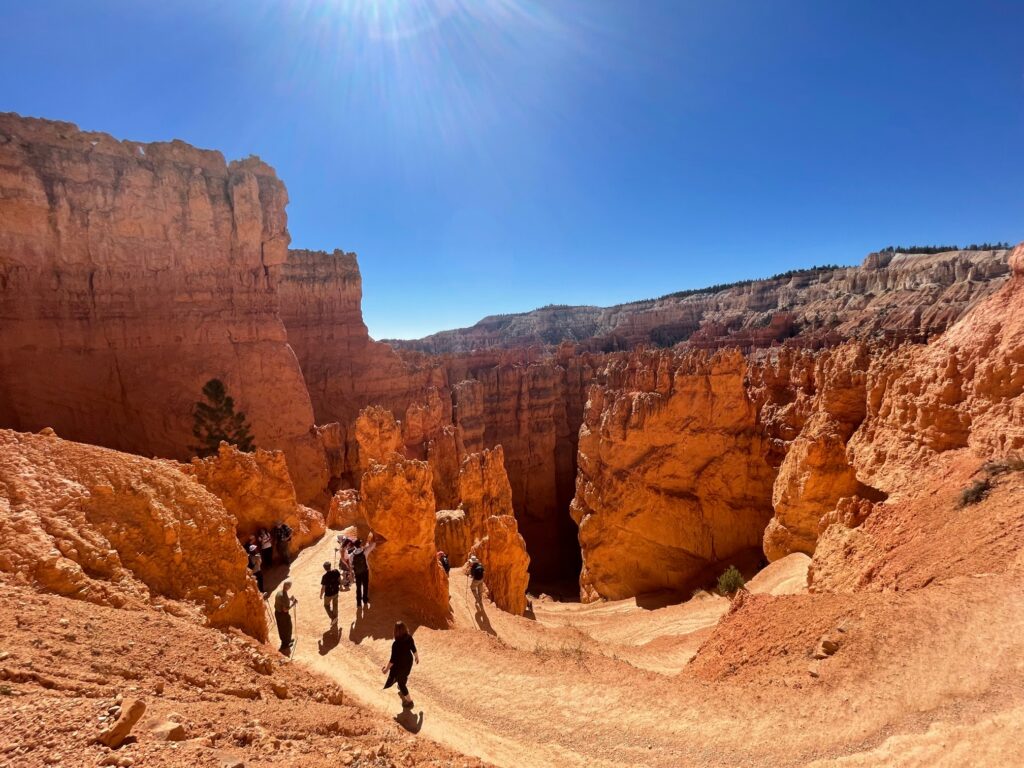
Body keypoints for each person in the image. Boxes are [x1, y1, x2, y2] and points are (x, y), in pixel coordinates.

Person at [382, 620, 418, 708]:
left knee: (402, 684)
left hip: (399, 665)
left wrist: (386, 669)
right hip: (408, 662)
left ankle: (409, 701)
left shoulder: (395, 644)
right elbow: (413, 648)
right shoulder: (409, 637)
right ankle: (401, 686)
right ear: (405, 628)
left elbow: (393, 659)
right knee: (404, 676)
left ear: (395, 631)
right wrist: (417, 657)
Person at [350, 533, 377, 609]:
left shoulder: (351, 555)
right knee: (365, 586)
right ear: (360, 544)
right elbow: (373, 545)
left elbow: (351, 565)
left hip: (357, 573)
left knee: (358, 587)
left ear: (354, 546)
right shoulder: (364, 552)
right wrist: (374, 538)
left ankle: (359, 603)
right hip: (365, 571)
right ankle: (365, 600)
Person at [274, 581, 297, 654]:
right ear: (288, 587)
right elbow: (285, 609)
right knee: (287, 628)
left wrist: (289, 599)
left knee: (282, 628)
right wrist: (293, 604)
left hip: (278, 613)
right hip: (283, 615)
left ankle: (287, 641)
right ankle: (285, 644)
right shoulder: (283, 595)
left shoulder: (279, 592)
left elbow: (282, 602)